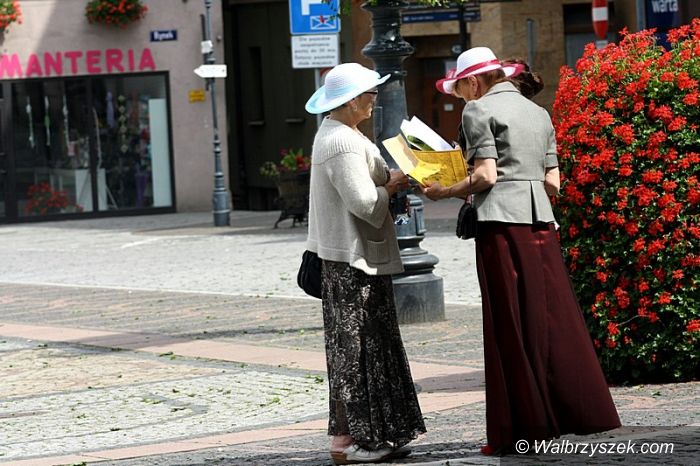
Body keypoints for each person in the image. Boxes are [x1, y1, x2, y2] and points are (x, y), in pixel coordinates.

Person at [424, 47, 621, 454]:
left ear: (473, 81)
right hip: (541, 226)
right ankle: (577, 412)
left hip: (500, 226)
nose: (461, 97)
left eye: (459, 88)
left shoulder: (477, 110)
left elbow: (485, 176)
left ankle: (523, 428)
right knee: (550, 320)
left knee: (508, 324)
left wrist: (444, 191)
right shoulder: (538, 112)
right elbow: (553, 183)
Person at [304, 63, 426, 465]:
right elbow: (364, 204)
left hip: (355, 257)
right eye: (370, 94)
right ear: (352, 100)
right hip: (352, 260)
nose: (375, 100)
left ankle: (365, 436)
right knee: (357, 352)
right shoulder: (341, 140)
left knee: (363, 348)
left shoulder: (343, 134)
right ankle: (354, 441)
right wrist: (391, 185)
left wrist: (393, 176)